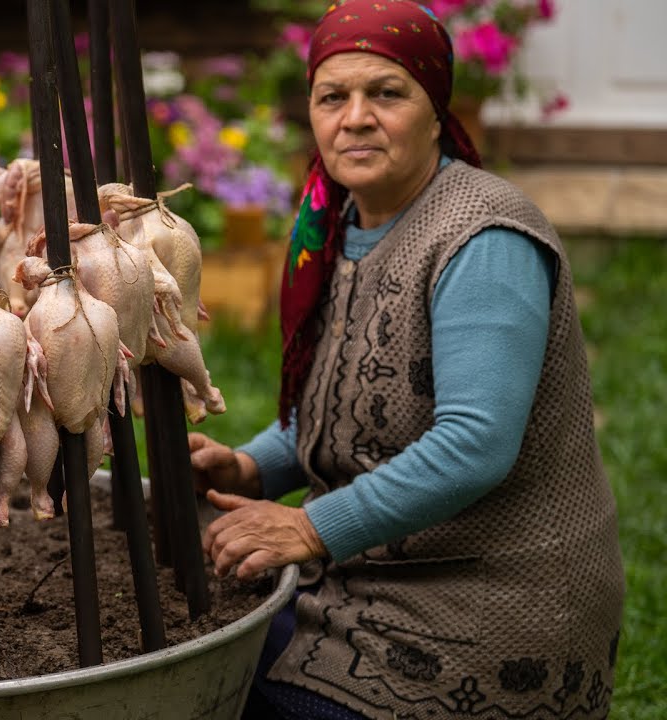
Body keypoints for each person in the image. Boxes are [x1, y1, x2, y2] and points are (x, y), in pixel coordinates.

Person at [188, 2, 624, 718]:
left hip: (486, 604)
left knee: (217, 685)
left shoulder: (483, 237)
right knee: (196, 622)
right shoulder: (337, 223)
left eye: (386, 94)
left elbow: (476, 445)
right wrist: (252, 468)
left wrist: (308, 526)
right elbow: (355, 403)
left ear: (434, 110)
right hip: (376, 571)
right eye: (334, 97)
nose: (355, 117)